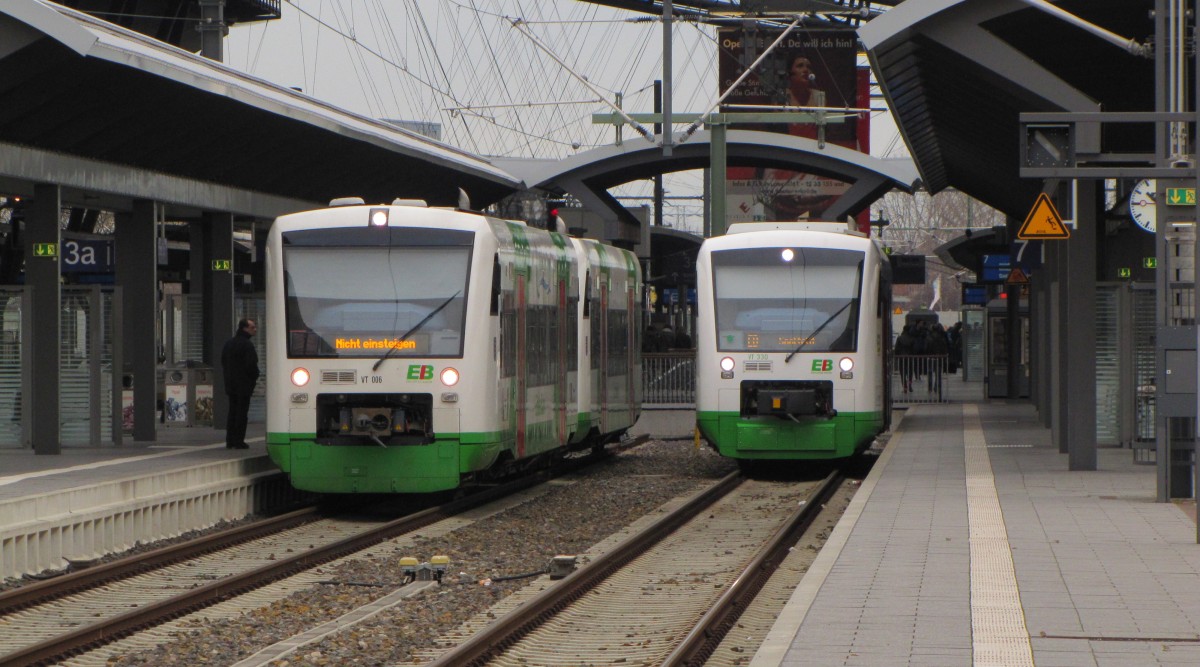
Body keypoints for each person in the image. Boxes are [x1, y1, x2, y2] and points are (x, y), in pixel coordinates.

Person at [221, 318, 259, 450]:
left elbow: (223, 362)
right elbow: (251, 365)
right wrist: (254, 377)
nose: (255, 329)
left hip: (230, 384)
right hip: (244, 384)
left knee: (232, 411)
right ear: (245, 328)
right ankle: (239, 441)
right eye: (252, 327)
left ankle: (230, 440)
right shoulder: (247, 345)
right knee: (242, 413)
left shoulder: (229, 343)